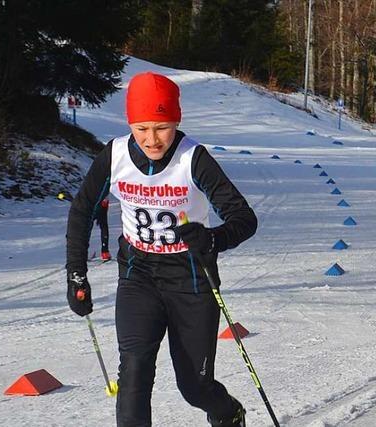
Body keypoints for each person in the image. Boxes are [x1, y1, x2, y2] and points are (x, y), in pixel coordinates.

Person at [65, 72, 257, 427]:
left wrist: (213, 238)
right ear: (130, 124)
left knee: (195, 387)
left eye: (162, 127)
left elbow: (244, 218)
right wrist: (76, 273)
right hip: (139, 275)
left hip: (191, 279)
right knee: (134, 373)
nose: (152, 139)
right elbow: (81, 211)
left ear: (176, 121)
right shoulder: (115, 155)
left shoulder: (192, 158)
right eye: (142, 128)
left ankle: (228, 412)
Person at [59, 192, 111, 261]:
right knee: (103, 226)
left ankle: (83, 253)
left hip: (92, 205)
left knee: (87, 229)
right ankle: (105, 252)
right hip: (101, 204)